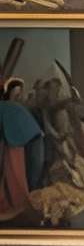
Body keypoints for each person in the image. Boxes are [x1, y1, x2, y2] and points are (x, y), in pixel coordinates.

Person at [0, 76, 45, 224]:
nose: (19, 97)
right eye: (16, 94)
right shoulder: (11, 107)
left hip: (20, 144)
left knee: (17, 174)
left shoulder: (9, 107)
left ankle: (21, 203)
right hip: (19, 143)